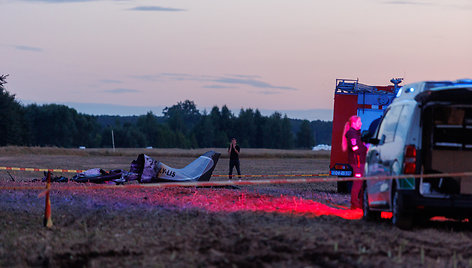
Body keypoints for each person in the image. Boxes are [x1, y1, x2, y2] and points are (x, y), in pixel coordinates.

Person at [342, 116, 367, 209]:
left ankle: (359, 203)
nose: (361, 123)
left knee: (360, 183)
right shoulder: (352, 134)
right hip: (357, 162)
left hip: (360, 161)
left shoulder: (356, 134)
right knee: (357, 183)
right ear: (354, 123)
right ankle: (354, 203)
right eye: (359, 122)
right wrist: (366, 148)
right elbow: (355, 148)